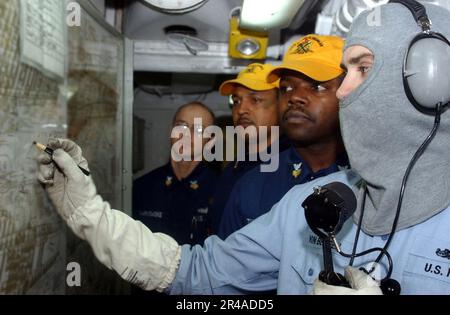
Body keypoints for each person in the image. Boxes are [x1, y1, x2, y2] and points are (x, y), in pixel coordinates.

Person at [37, 2, 450, 295]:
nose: (344, 91)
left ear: (432, 81)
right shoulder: (301, 205)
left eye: (362, 69)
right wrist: (87, 212)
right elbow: (195, 270)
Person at [217, 35, 349, 239]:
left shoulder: (371, 184)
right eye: (287, 88)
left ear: (349, 93)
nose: (295, 96)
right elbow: (224, 267)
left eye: (317, 86)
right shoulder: (251, 185)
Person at [208, 63, 287, 234]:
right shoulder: (231, 170)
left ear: (282, 106)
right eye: (236, 101)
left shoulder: (295, 169)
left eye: (255, 99)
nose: (241, 109)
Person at [133, 102, 218, 245]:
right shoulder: (142, 188)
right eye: (182, 126)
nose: (187, 135)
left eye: (198, 130)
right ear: (171, 130)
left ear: (210, 141)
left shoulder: (220, 190)